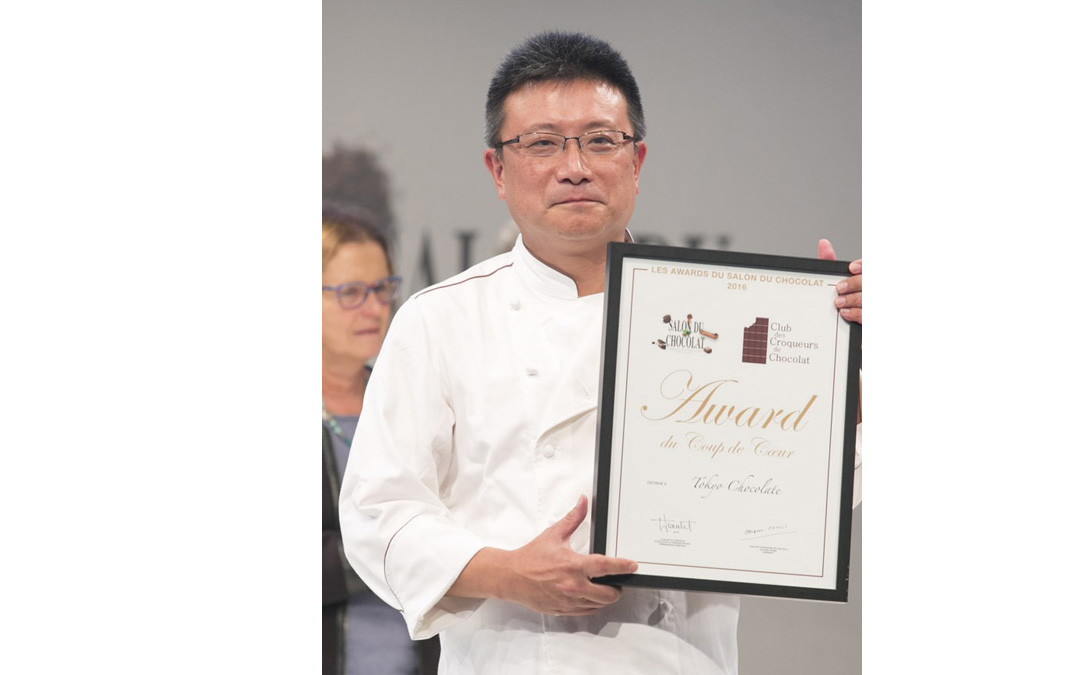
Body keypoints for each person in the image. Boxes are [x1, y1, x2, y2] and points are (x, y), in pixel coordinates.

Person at [339, 31, 863, 674]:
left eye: (600, 140)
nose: (575, 167)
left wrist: (837, 370)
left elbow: (792, 497)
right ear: (498, 170)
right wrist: (506, 573)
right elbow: (379, 513)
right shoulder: (441, 321)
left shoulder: (721, 308)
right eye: (543, 143)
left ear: (636, 161)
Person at [322, 205, 439, 675]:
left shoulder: (408, 402)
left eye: (382, 289)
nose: (374, 309)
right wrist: (402, 551)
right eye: (351, 293)